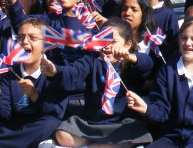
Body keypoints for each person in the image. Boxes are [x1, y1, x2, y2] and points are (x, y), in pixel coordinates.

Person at [40, 18, 154, 147]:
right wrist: (55, 71)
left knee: (104, 145)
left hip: (123, 123)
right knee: (62, 135)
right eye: (103, 41)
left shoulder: (132, 63)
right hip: (93, 122)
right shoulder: (93, 59)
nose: (107, 46)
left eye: (113, 42)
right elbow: (73, 72)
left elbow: (147, 64)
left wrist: (129, 57)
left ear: (127, 44)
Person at [126, 16, 193, 148]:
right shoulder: (167, 72)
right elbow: (162, 112)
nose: (188, 43)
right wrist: (146, 109)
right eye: (183, 38)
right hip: (169, 139)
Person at [0, 18, 68, 148]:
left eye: (32, 38)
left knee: (51, 123)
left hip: (37, 125)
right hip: (13, 126)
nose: (25, 42)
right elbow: (4, 115)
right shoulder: (8, 73)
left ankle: (3, 144)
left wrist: (34, 95)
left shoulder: (55, 72)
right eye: (20, 37)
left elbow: (56, 112)